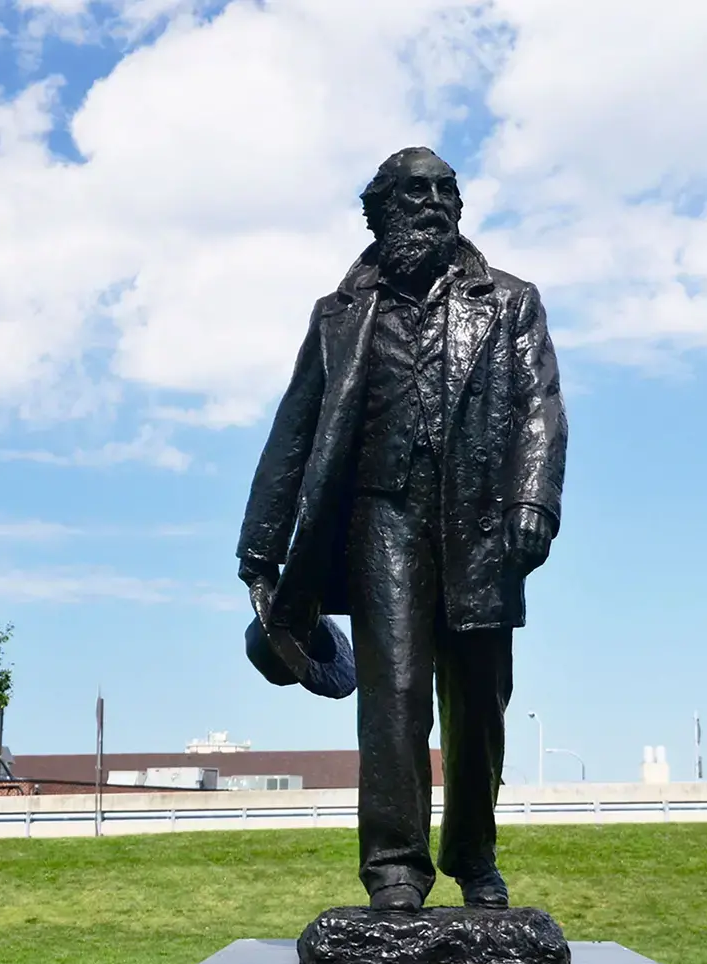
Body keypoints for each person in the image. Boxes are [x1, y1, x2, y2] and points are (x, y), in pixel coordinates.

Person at [236, 147, 567, 912]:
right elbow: (293, 432)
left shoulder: (510, 301)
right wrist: (260, 550)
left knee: (479, 703)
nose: (434, 201)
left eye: (446, 190)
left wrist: (534, 502)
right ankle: (394, 866)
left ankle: (473, 855)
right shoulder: (340, 315)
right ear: (379, 209)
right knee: (393, 696)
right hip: (382, 519)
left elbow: (541, 410)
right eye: (415, 191)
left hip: (481, 524)